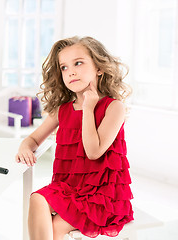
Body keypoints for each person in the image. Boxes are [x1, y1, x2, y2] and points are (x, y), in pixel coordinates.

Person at [16, 36, 133, 240]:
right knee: (36, 198)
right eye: (64, 67)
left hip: (102, 196)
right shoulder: (62, 110)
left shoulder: (114, 108)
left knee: (56, 227)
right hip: (70, 189)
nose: (70, 71)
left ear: (99, 68)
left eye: (78, 63)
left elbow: (93, 151)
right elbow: (33, 139)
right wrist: (25, 147)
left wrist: (88, 108)